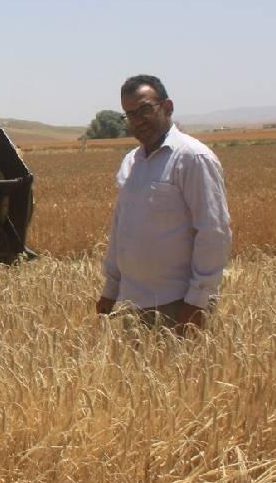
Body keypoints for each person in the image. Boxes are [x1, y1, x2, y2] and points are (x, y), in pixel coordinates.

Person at [96, 75, 231, 333]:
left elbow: (214, 232)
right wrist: (111, 289)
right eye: (130, 114)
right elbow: (121, 231)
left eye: (145, 109)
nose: (138, 119)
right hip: (132, 304)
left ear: (167, 107)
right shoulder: (132, 162)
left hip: (178, 305)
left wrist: (197, 303)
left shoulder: (193, 158)